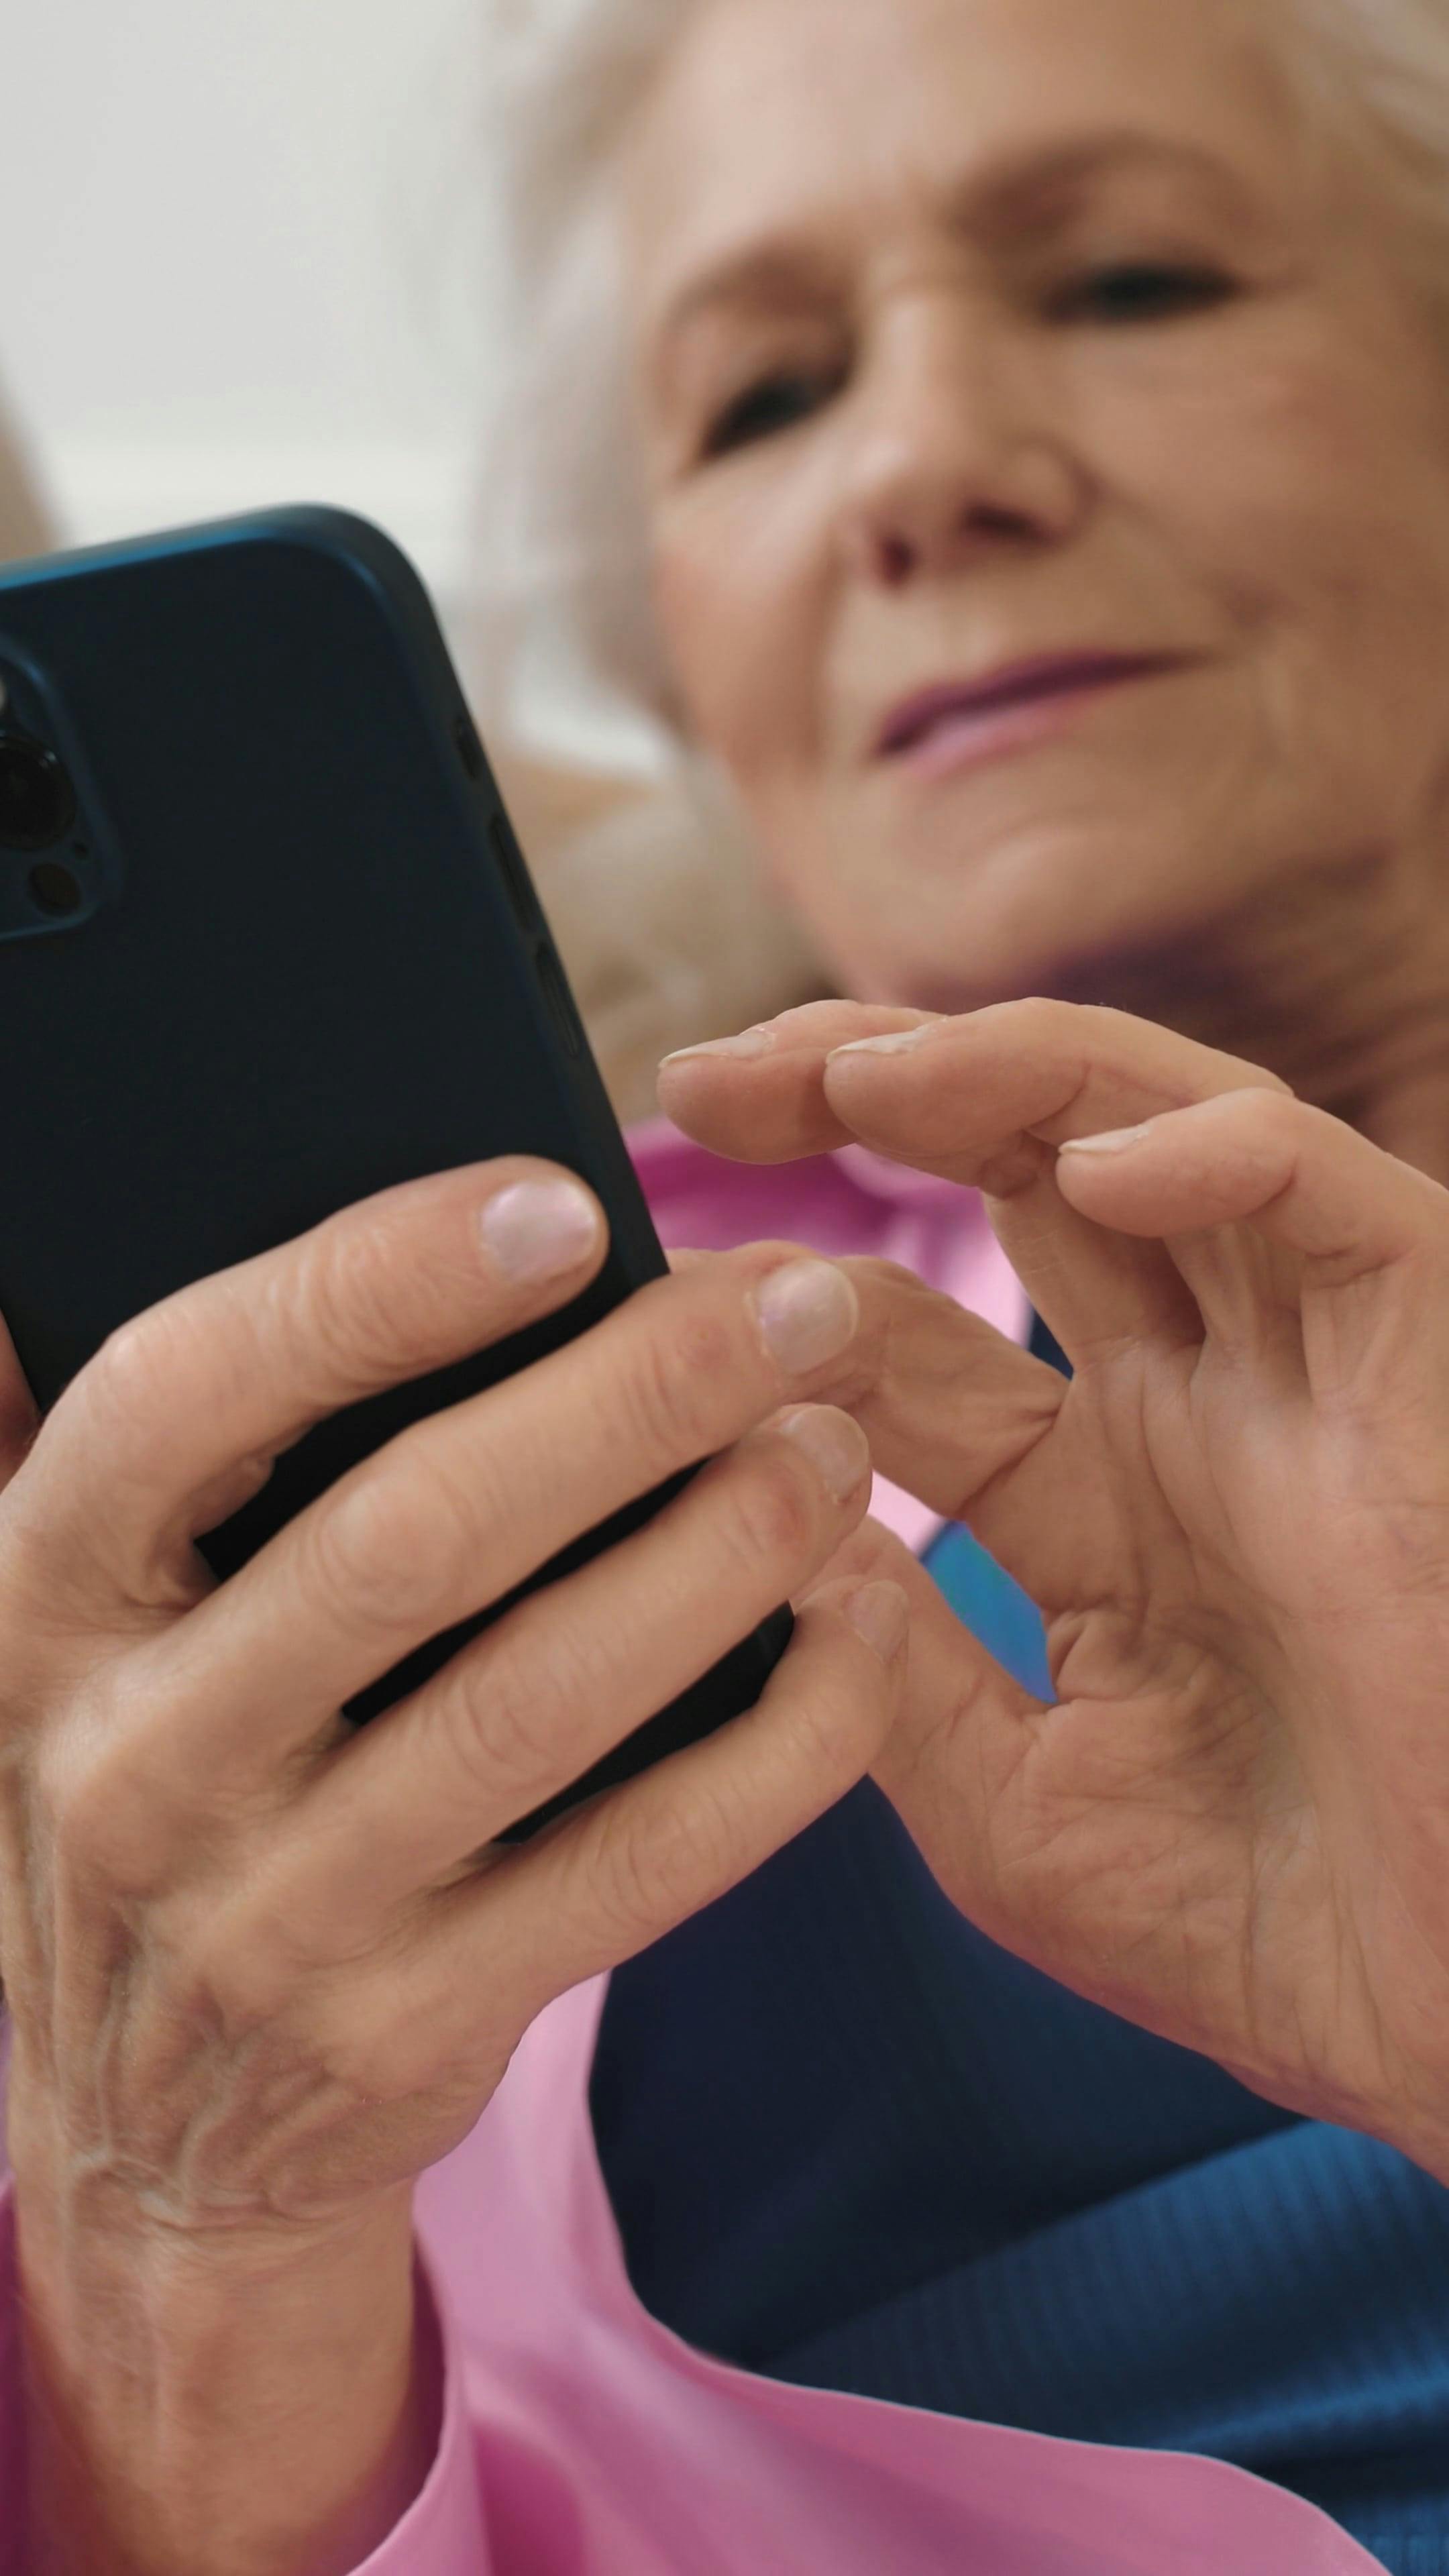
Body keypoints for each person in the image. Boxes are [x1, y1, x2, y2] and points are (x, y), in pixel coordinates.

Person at [7, 0, 1449, 2568]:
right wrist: (186, 2268)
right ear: (680, 652)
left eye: (1128, 280)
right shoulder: (403, 1353)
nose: (917, 467)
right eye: (763, 398)